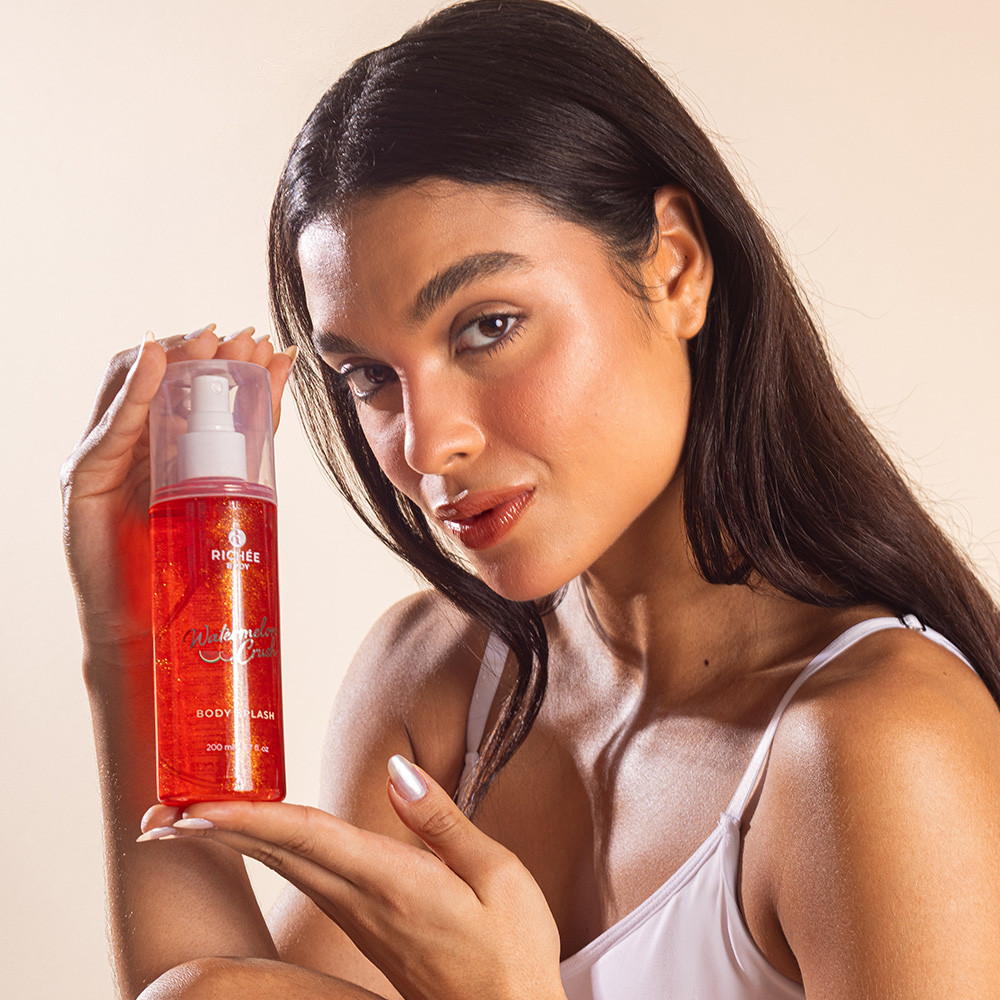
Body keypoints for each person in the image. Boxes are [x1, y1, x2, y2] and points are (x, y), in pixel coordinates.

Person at [61, 1, 1000, 997]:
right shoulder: (438, 683)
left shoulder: (876, 747)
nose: (428, 444)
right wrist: (134, 641)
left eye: (487, 327)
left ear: (676, 268)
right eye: (370, 376)